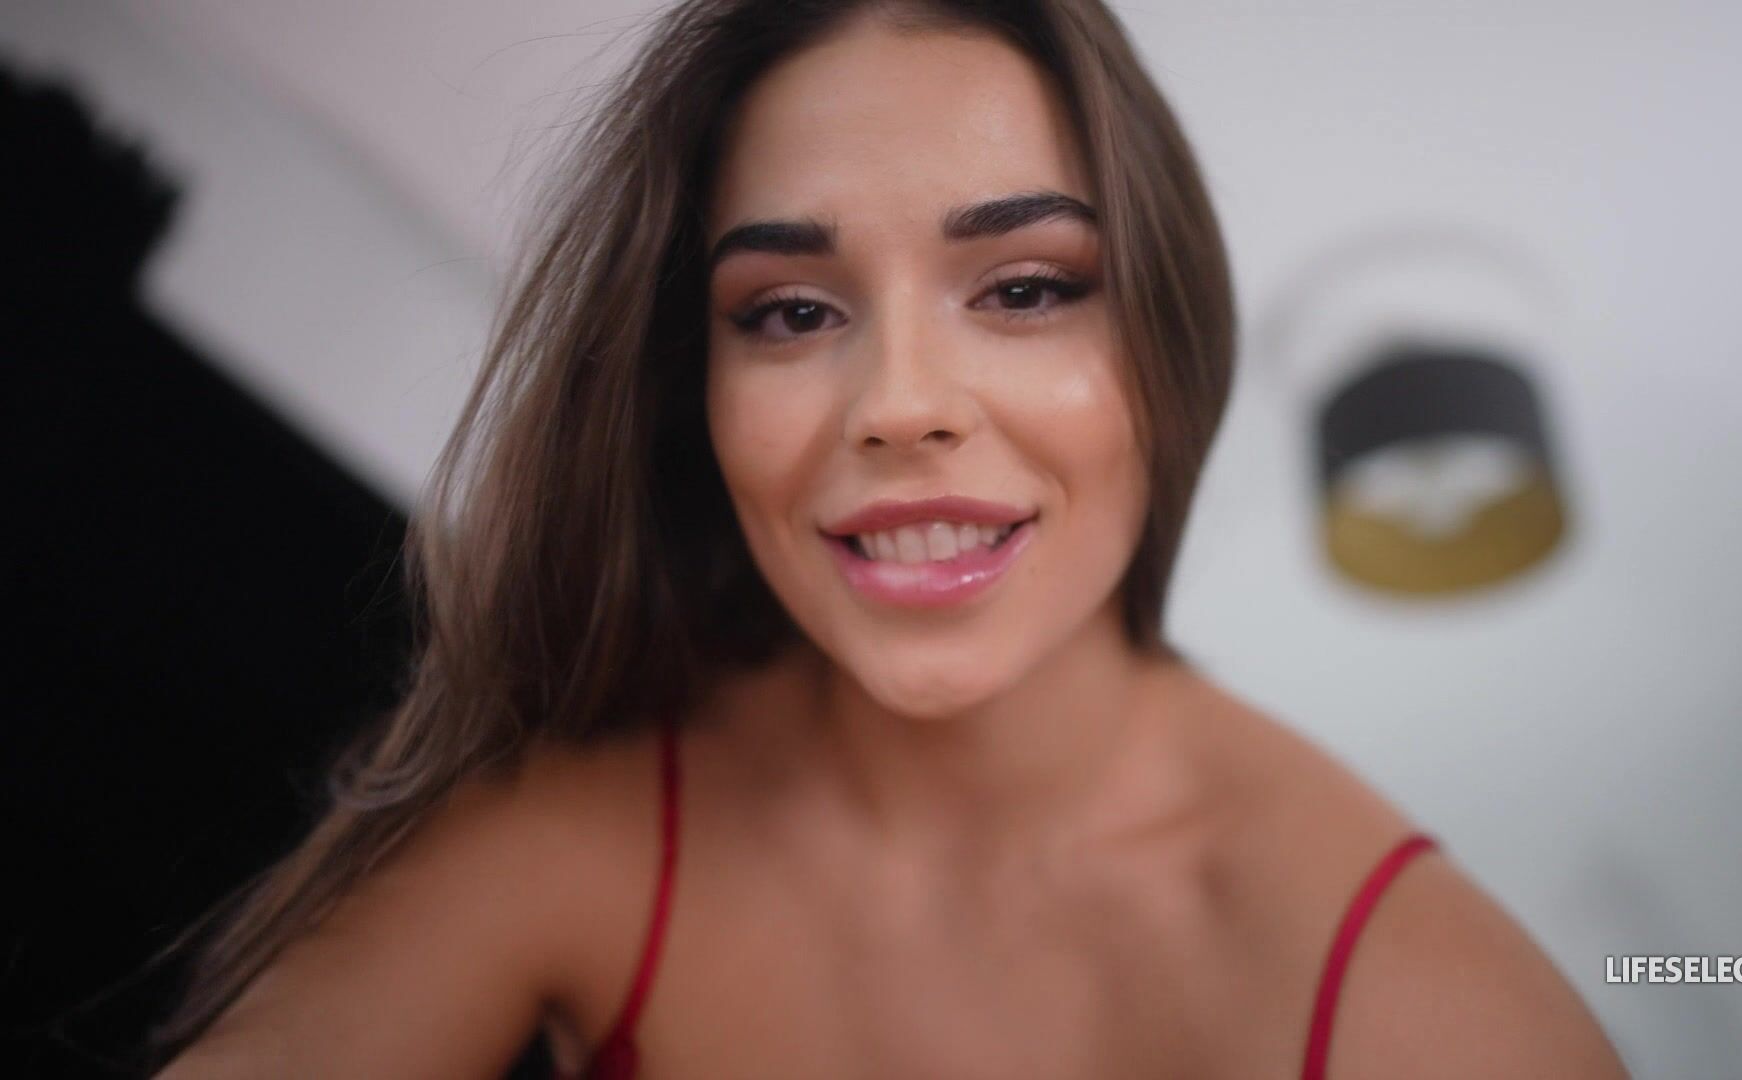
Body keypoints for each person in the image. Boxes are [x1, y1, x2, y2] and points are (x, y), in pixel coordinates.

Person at [150, 1, 1628, 1076]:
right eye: (793, 312)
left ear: (1169, 350)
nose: (899, 405)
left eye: (1026, 289)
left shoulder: (1444, 1020)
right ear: (696, 389)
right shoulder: (586, 803)